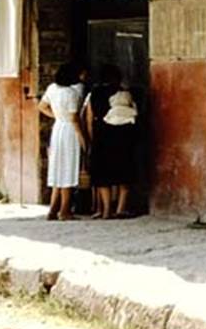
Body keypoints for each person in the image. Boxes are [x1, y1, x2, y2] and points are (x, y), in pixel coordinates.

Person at [82, 64, 138, 219]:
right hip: (122, 135)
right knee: (124, 171)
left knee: (102, 174)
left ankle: (106, 210)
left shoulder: (94, 93)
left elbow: (88, 118)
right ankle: (120, 209)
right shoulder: (125, 93)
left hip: (101, 134)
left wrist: (91, 138)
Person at [38, 63, 86, 220]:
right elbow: (74, 119)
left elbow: (42, 106)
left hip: (58, 128)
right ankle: (65, 210)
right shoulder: (71, 93)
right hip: (69, 132)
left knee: (57, 167)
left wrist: (57, 116)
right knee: (68, 168)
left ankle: (53, 209)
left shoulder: (52, 88)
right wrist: (82, 138)